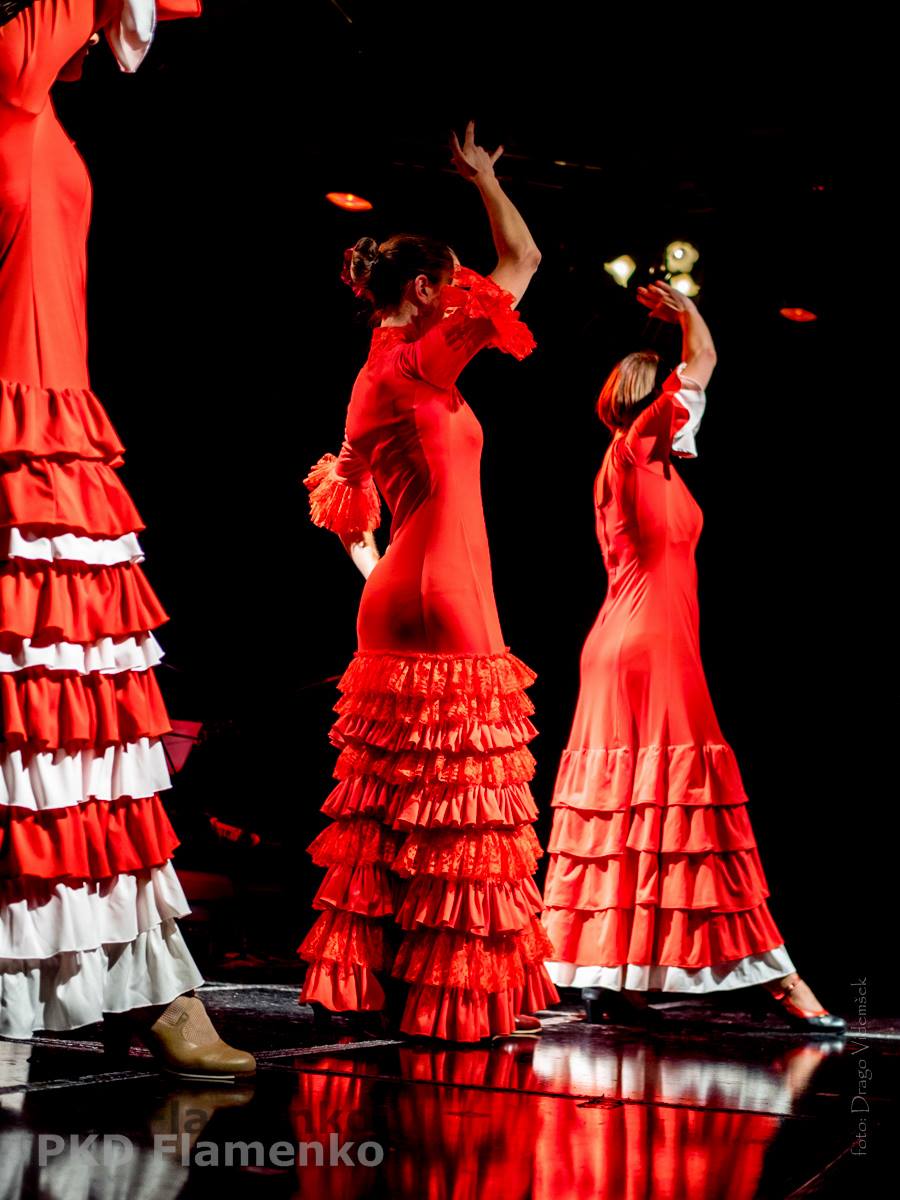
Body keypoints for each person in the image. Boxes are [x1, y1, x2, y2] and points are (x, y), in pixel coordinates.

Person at [0, 0, 255, 1078]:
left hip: (56, 432)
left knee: (78, 735)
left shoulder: (36, 107)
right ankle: (86, 994)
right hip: (24, 438)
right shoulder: (14, 86)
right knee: (41, 733)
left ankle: (148, 984)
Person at [300, 122, 559, 1040]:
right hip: (446, 595)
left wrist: (379, 572)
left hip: (397, 598)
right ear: (422, 290)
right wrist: (484, 177)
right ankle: (451, 996)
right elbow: (524, 258)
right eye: (449, 285)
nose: (460, 296)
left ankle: (382, 987)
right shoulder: (424, 359)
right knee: (460, 795)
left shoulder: (370, 378)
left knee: (394, 800)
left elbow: (345, 502)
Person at [541, 280, 845, 1034]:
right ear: (654, 403)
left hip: (619, 645)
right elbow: (703, 360)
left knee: (629, 810)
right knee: (693, 806)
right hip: (650, 646)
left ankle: (608, 976)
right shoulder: (638, 447)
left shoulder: (630, 463)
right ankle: (782, 981)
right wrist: (688, 313)